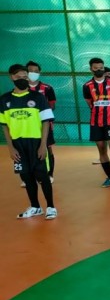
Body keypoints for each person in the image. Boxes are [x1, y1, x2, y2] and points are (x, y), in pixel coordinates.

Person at [1, 64, 57, 220]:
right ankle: (35, 207)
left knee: (42, 176)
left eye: (25, 77)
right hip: (18, 145)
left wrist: (43, 145)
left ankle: (51, 207)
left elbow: (46, 122)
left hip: (36, 142)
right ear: (12, 77)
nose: (23, 79)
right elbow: (4, 126)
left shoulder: (38, 97)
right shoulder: (5, 99)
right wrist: (11, 148)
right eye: (19, 77)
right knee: (26, 177)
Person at [83, 57, 110, 189]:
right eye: (96, 68)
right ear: (91, 69)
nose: (99, 70)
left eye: (101, 68)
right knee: (102, 151)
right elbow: (89, 102)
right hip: (96, 122)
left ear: (104, 68)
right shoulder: (87, 86)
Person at [26, 60, 56, 183]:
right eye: (30, 71)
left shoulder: (47, 88)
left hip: (44, 125)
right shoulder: (20, 89)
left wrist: (40, 111)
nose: (33, 73)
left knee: (47, 149)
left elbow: (52, 105)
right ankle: (29, 177)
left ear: (39, 72)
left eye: (36, 71)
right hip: (26, 126)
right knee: (28, 150)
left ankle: (49, 175)